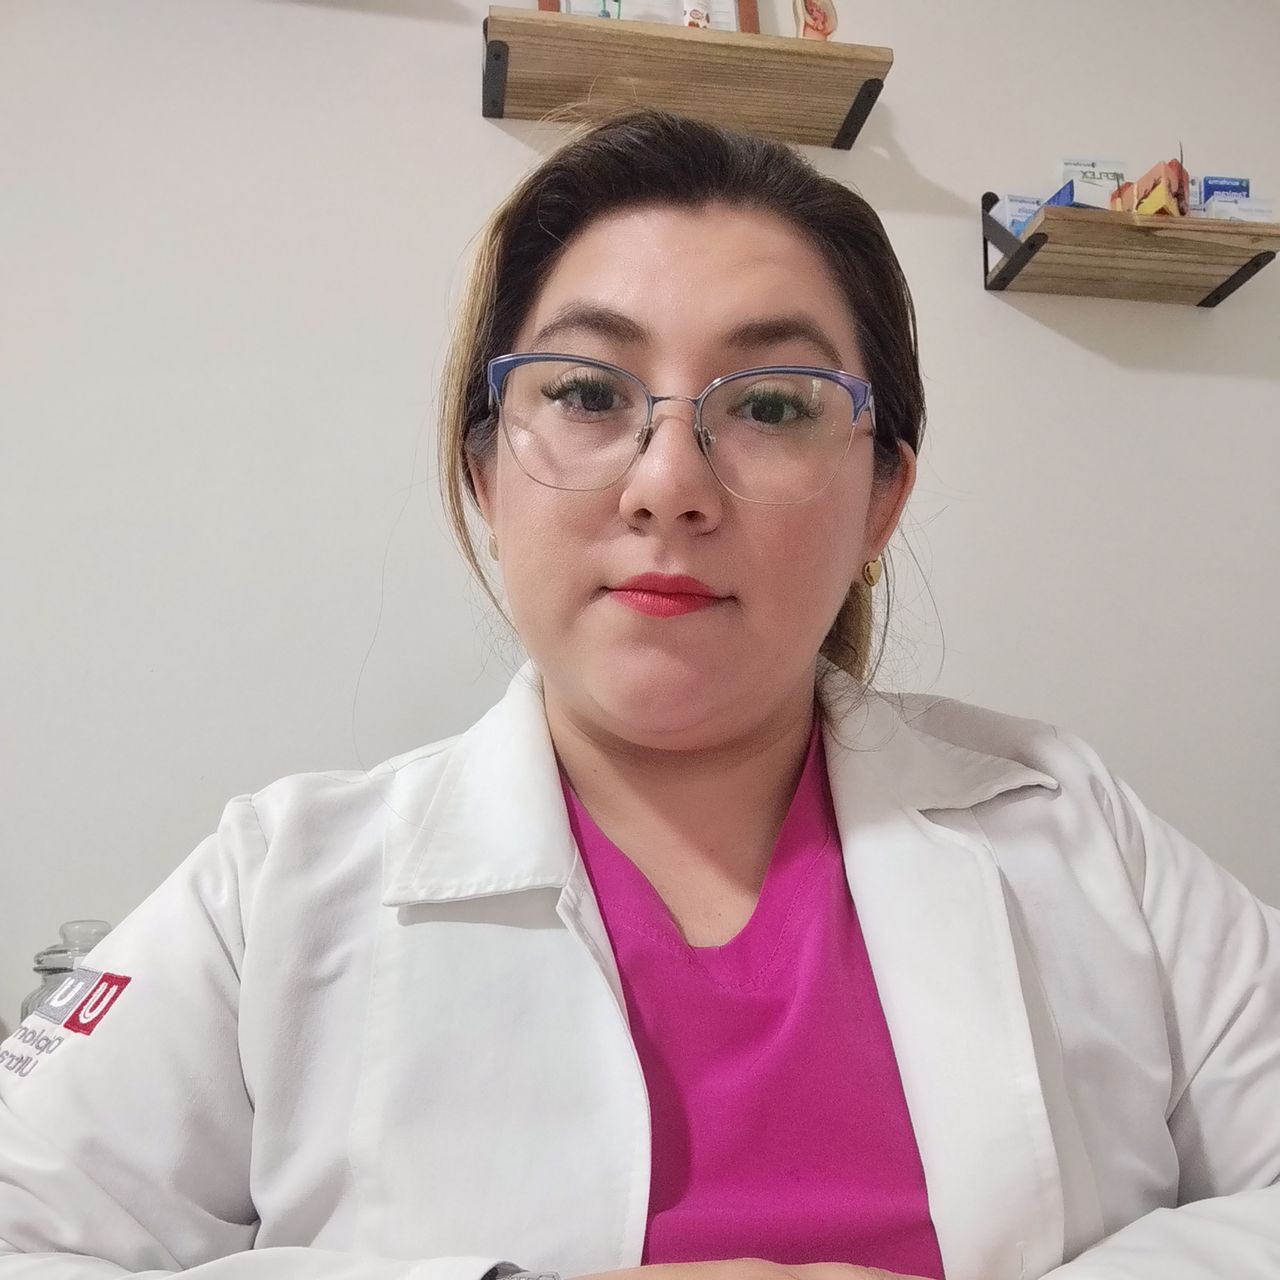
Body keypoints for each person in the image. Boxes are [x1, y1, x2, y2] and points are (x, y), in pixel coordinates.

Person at [1, 106, 1277, 1280]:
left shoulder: (1074, 828)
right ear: (485, 472)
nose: (668, 483)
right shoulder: (271, 886)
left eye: (769, 403)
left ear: (880, 495)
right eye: (585, 392)